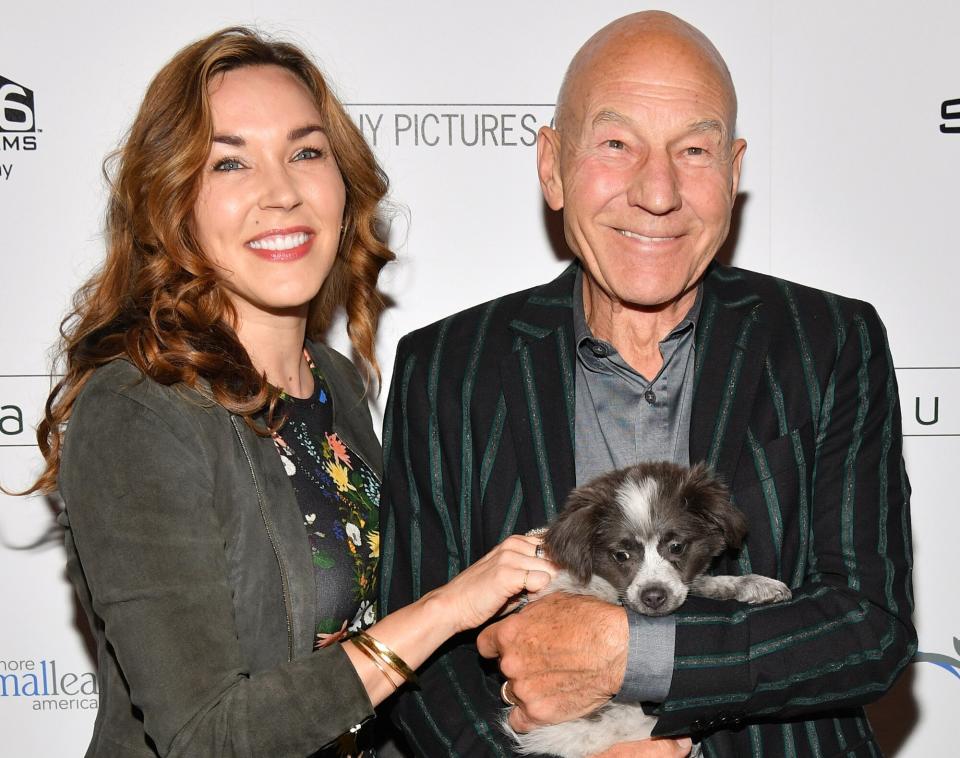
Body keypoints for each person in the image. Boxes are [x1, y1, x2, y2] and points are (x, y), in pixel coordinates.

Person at [379, 10, 915, 757]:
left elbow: (868, 628)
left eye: (693, 150)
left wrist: (633, 651)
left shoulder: (828, 342)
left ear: (733, 172)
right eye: (616, 144)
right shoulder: (448, 367)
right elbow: (416, 657)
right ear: (552, 166)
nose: (658, 191)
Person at [21, 27, 556, 758]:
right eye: (230, 163)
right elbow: (207, 735)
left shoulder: (332, 379)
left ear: (344, 184)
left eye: (306, 152)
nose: (281, 193)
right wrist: (448, 607)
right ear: (174, 203)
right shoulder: (139, 410)